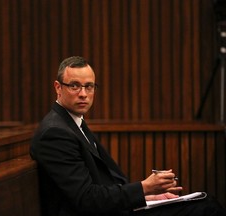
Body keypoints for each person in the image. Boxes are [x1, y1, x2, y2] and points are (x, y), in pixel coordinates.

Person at [30, 56, 226, 216]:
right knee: (206, 208)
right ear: (58, 87)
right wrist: (144, 189)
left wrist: (148, 198)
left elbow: (103, 186)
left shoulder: (72, 122)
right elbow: (87, 199)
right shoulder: (55, 133)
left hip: (115, 209)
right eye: (74, 86)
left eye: (89, 86)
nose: (83, 93)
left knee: (204, 201)